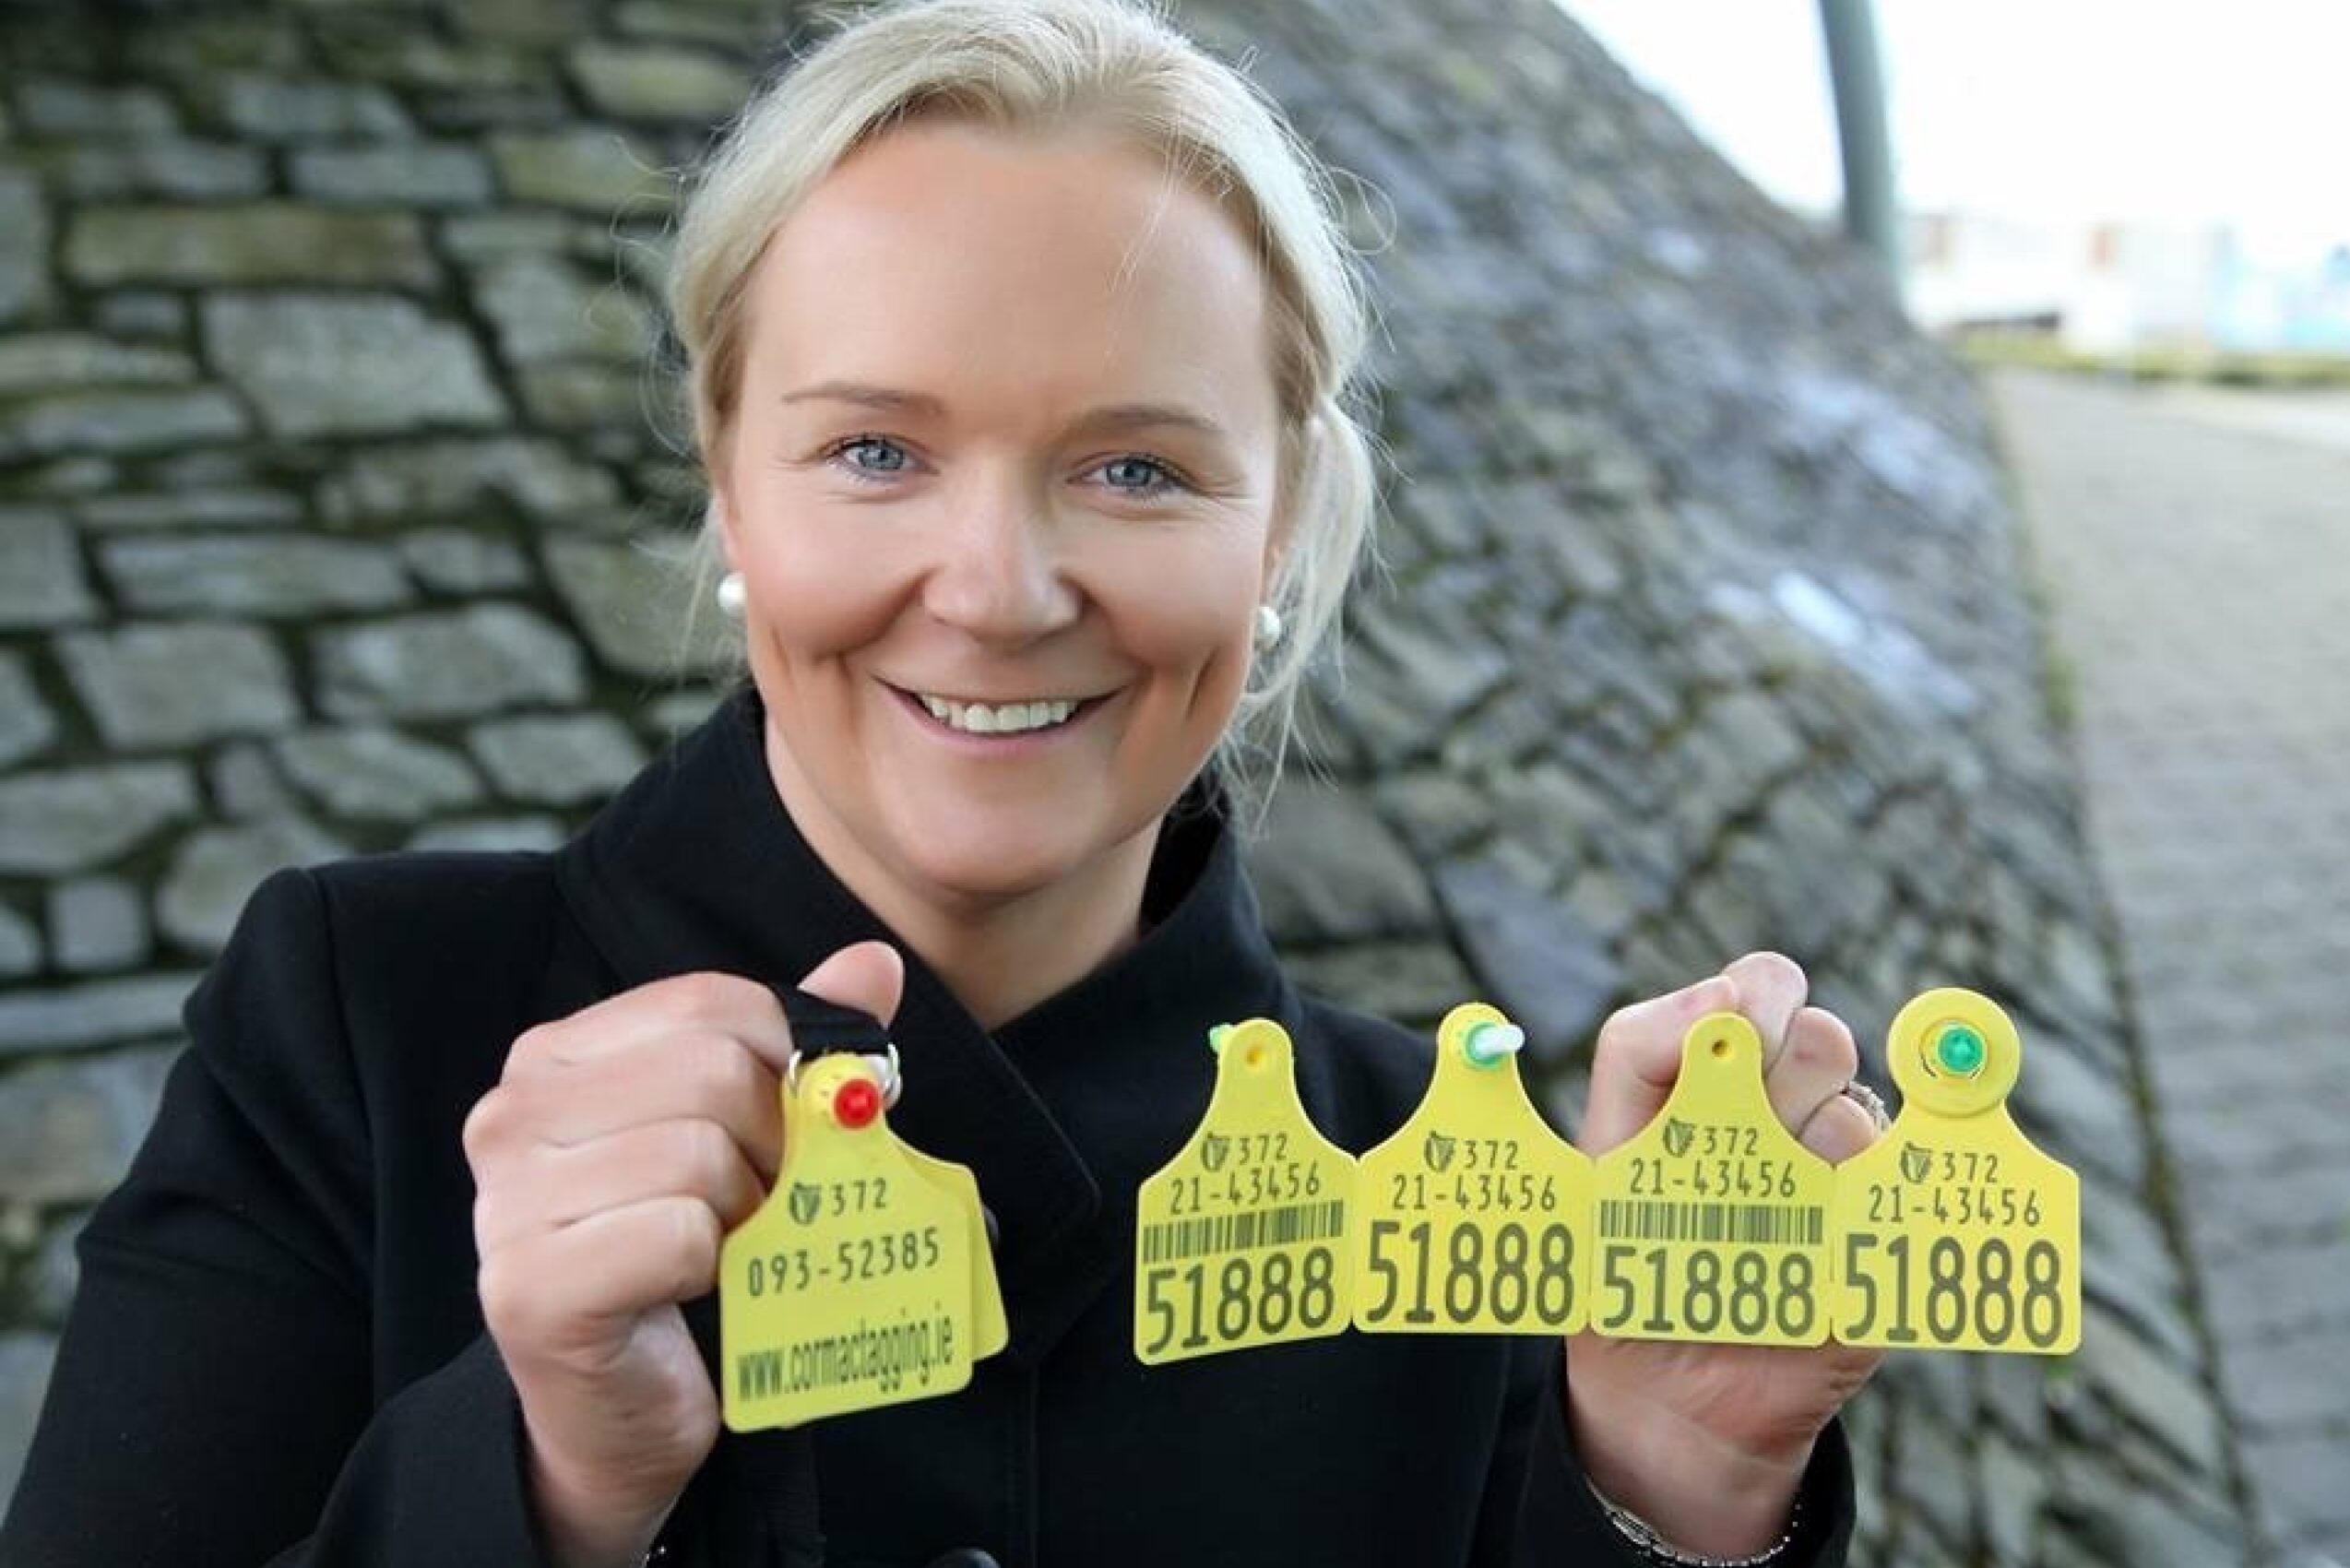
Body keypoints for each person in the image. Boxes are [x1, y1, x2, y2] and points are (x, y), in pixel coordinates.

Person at [0, 1, 1883, 1563]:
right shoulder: (360, 1024)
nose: (994, 592)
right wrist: (545, 1483)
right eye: (876, 452)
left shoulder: (1442, 1190)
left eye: (1137, 470)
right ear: (727, 475)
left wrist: (1664, 1492)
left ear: (1281, 525)